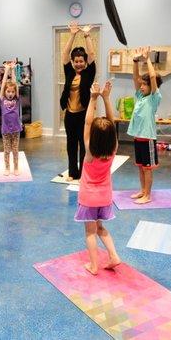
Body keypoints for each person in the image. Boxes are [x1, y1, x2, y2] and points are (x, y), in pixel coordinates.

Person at [74, 80, 122, 275]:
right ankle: (114, 256)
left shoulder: (89, 151)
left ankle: (94, 266)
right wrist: (106, 98)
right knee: (101, 228)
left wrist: (93, 99)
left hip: (89, 198)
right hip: (105, 198)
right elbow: (111, 123)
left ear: (92, 137)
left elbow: (87, 122)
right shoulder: (113, 149)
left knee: (90, 232)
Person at [60, 21, 96, 181]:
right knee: (71, 144)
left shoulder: (88, 73)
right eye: (77, 61)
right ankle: (72, 173)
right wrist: (73, 34)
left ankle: (83, 174)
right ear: (73, 62)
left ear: (85, 62)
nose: (79, 63)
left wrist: (87, 35)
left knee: (84, 144)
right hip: (70, 114)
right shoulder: (69, 72)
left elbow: (92, 54)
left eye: (82, 61)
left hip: (83, 115)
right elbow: (64, 55)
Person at [127, 46, 163, 204]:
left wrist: (147, 59)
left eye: (144, 85)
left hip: (148, 138)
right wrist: (135, 60)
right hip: (138, 137)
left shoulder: (154, 98)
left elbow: (153, 77)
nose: (141, 86)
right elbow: (135, 78)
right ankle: (142, 191)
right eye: (141, 85)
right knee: (141, 167)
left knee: (147, 168)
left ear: (152, 87)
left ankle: (147, 195)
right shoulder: (141, 96)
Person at [0, 61, 22, 176]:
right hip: (6, 130)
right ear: (5, 92)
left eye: (12, 92)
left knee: (15, 150)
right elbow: (3, 84)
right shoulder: (2, 99)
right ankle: (7, 168)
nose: (11, 93)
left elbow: (15, 84)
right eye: (8, 91)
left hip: (16, 129)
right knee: (7, 150)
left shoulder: (17, 99)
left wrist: (13, 70)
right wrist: (6, 70)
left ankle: (16, 167)